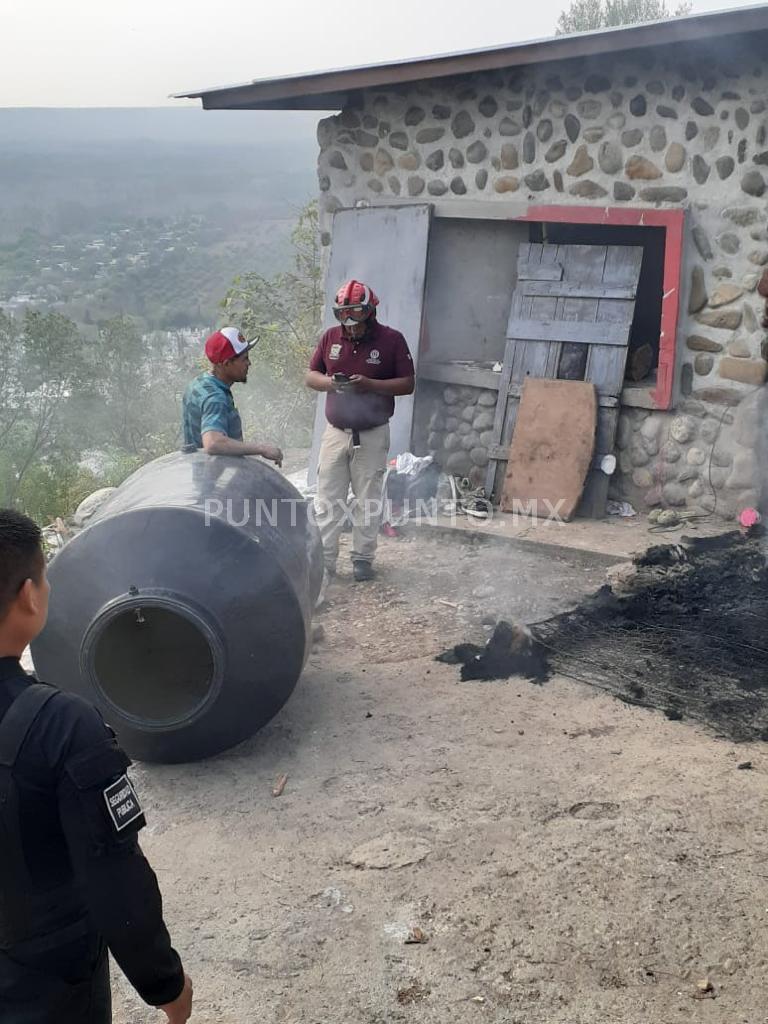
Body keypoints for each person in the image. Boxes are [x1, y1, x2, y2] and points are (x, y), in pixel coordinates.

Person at [0, 509, 193, 1023]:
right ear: (28, 594)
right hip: (43, 985)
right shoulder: (61, 724)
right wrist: (166, 985)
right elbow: (113, 877)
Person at [306, 280, 414, 583]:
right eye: (345, 319)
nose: (350, 327)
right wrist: (331, 383)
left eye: (356, 321)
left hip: (372, 433)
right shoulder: (330, 337)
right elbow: (311, 375)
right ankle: (325, 562)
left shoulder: (392, 340)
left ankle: (363, 558)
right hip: (335, 432)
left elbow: (407, 383)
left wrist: (370, 385)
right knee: (328, 497)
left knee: (368, 497)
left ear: (370, 313)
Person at [182, 326, 283, 465]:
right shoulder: (215, 398)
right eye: (244, 359)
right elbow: (213, 443)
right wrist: (262, 449)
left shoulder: (199, 383)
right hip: (214, 480)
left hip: (200, 475)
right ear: (227, 363)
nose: (249, 363)